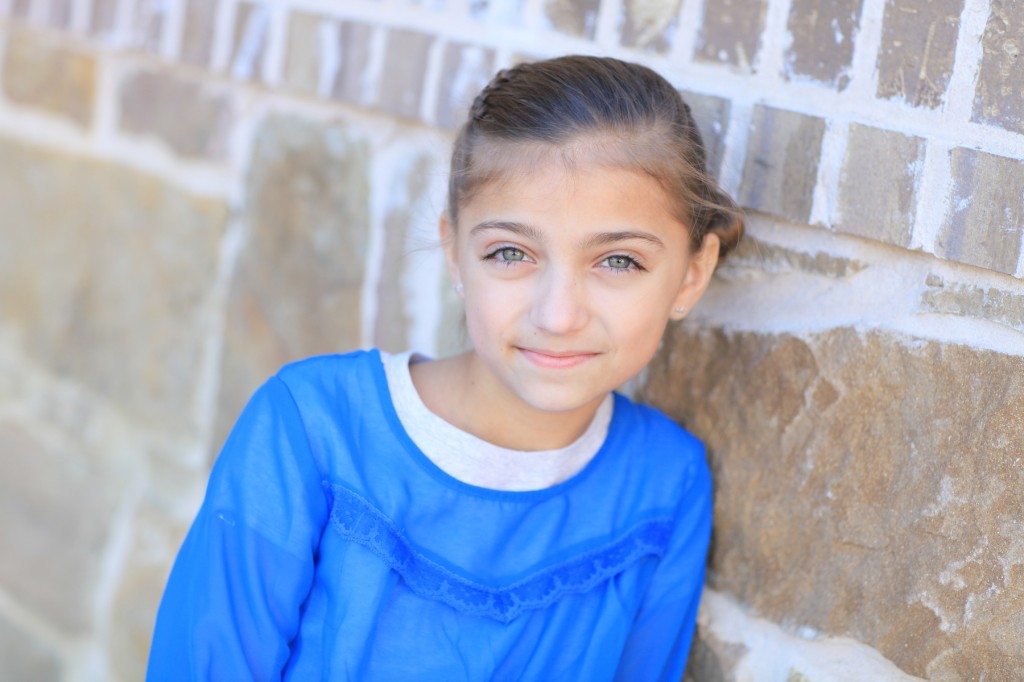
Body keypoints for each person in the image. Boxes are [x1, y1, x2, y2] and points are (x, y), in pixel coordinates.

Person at [146, 55, 743, 681]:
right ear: (455, 253)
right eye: (510, 253)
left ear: (692, 274)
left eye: (619, 261)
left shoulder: (665, 484)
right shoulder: (312, 428)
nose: (559, 314)